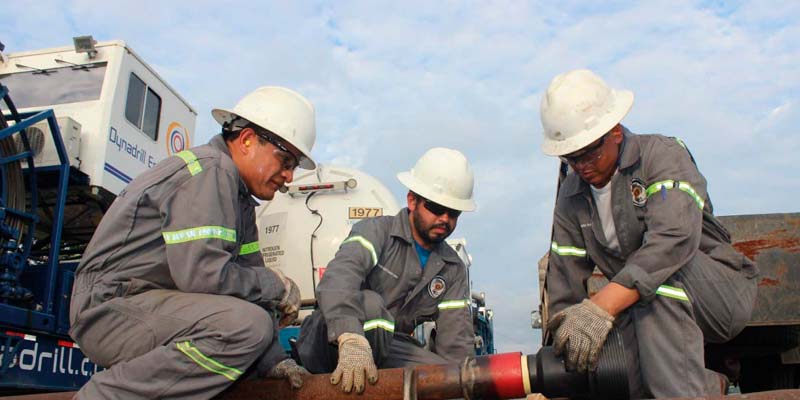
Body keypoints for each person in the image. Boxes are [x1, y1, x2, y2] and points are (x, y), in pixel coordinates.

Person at [69, 86, 316, 399]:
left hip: (144, 304)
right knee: (243, 326)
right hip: (109, 308)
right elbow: (204, 275)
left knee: (251, 321)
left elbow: (253, 292)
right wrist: (276, 284)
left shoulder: (240, 201)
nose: (289, 176)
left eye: (293, 166)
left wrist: (273, 360)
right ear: (247, 140)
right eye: (285, 160)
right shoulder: (209, 171)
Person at [539, 69, 759, 398]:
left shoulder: (661, 155)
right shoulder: (572, 197)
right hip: (642, 305)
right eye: (571, 157)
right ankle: (705, 386)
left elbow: (673, 241)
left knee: (655, 281)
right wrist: (565, 344)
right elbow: (564, 283)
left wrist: (601, 306)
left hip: (718, 292)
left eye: (590, 153)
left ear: (614, 131)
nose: (582, 166)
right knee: (612, 369)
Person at [297, 147, 478, 393]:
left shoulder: (451, 269)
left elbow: (455, 340)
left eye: (454, 212)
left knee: (443, 377)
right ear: (412, 201)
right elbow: (339, 279)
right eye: (436, 208)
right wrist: (350, 336)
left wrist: (462, 383)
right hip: (332, 338)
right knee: (372, 306)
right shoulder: (375, 232)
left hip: (389, 347)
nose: (445, 219)